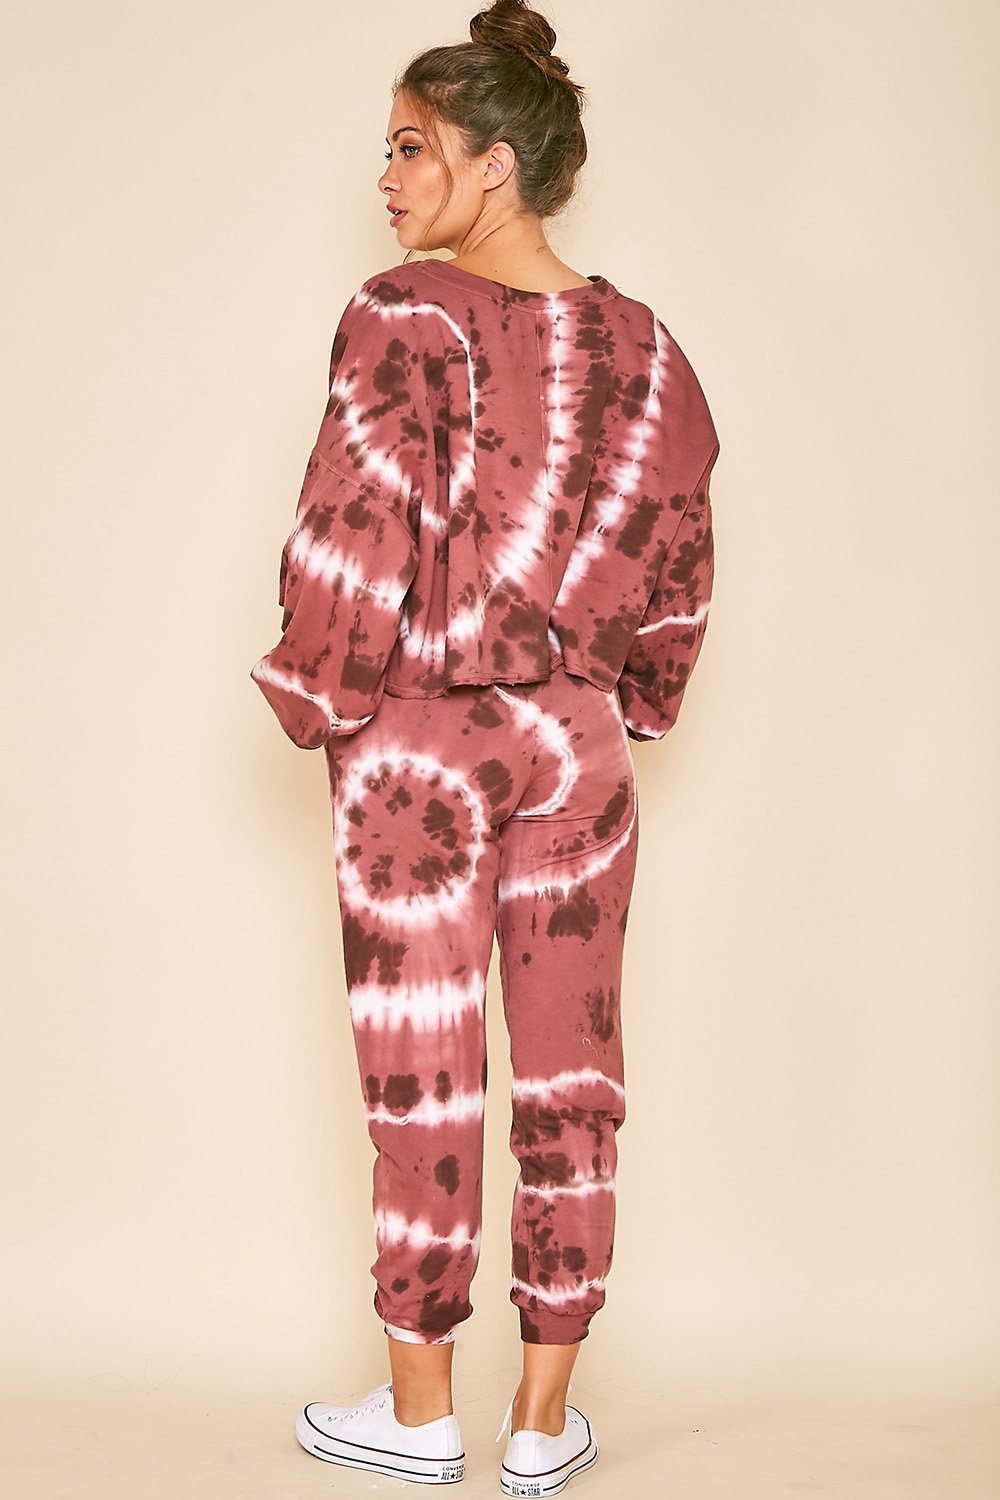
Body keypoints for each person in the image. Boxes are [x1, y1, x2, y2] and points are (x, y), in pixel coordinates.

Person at [249, 1, 719, 1491]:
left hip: (420, 747)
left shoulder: (403, 312)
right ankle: (539, 1428)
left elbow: (353, 525)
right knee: (575, 1077)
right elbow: (679, 550)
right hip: (578, 745)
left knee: (426, 1077)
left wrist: (318, 691)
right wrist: (637, 693)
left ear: (495, 163)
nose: (386, 178)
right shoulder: (649, 347)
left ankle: (420, 1417)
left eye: (412, 147)